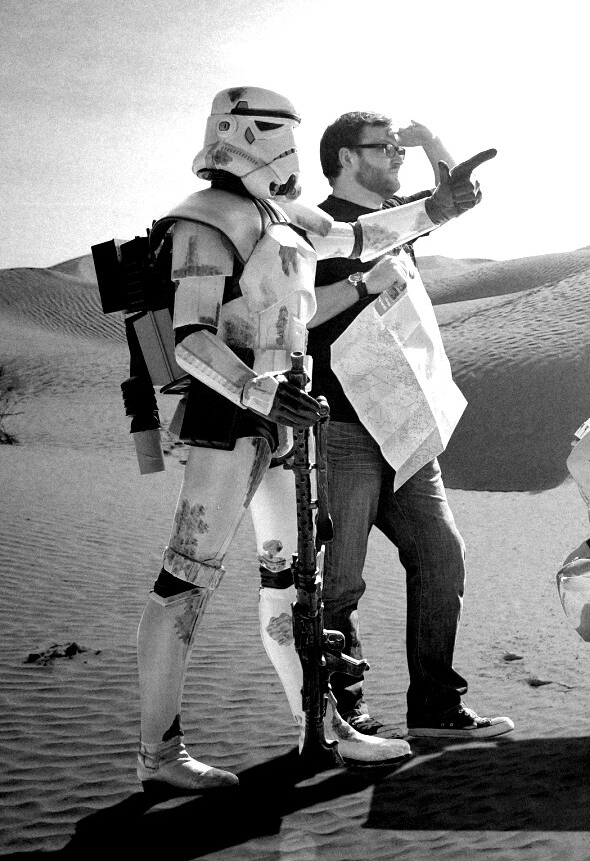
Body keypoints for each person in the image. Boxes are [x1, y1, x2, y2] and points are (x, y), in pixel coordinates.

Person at [135, 86, 486, 793]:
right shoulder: (204, 220)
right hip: (229, 419)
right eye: (272, 130)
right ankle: (159, 753)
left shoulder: (290, 216)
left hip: (289, 420)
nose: (285, 145)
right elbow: (193, 338)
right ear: (237, 132)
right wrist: (259, 392)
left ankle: (322, 724)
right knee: (187, 580)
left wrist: (436, 209)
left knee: (295, 585)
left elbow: (361, 240)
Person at [304, 111, 514, 741]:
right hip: (342, 429)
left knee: (443, 558)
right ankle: (344, 714)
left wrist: (431, 144)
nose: (395, 156)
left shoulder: (396, 220)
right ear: (345, 158)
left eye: (398, 148)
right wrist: (363, 284)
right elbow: (297, 315)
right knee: (339, 584)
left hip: (406, 430)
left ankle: (435, 708)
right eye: (384, 148)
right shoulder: (315, 229)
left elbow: (455, 199)